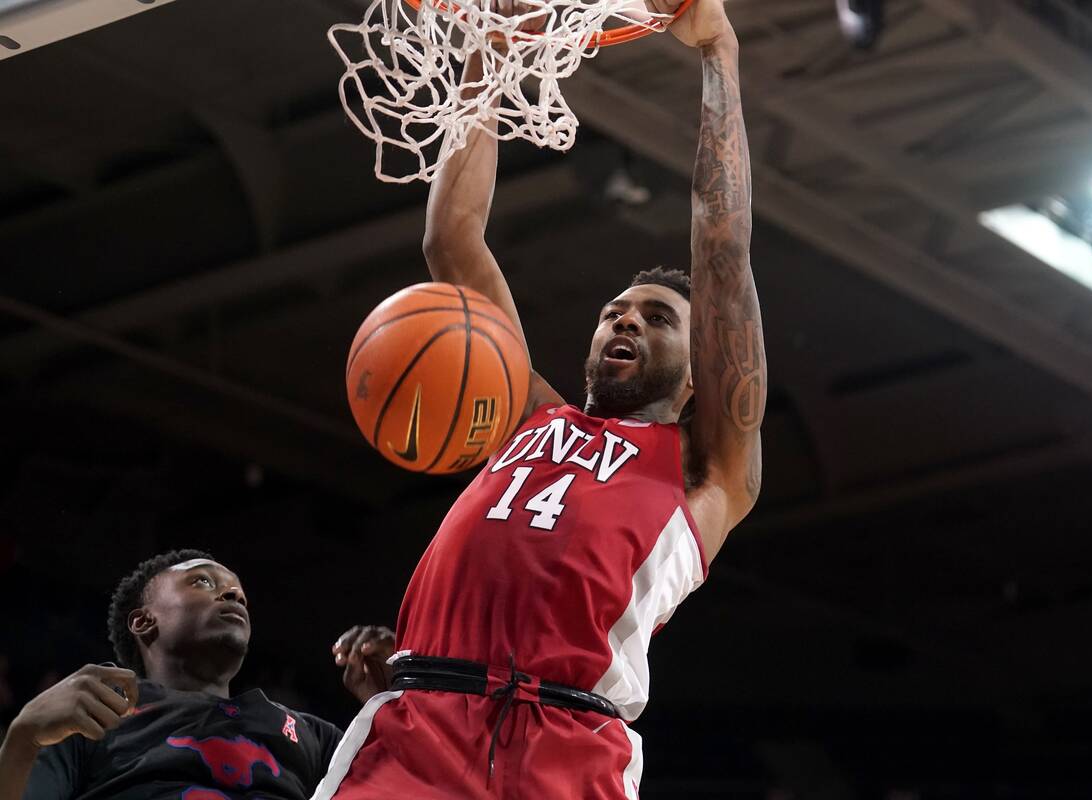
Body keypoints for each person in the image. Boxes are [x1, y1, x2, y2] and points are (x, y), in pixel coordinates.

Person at [316, 0, 764, 796]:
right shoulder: (524, 414)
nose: (625, 318)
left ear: (703, 373)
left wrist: (720, 55)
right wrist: (493, 44)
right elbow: (451, 239)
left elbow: (723, 254)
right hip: (422, 723)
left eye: (657, 318)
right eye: (613, 312)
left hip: (568, 745)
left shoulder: (707, 471)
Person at [0, 550, 345, 800]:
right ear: (143, 620)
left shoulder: (313, 734)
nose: (233, 594)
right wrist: (23, 736)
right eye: (203, 582)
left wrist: (394, 694)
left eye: (239, 594)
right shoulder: (93, 710)